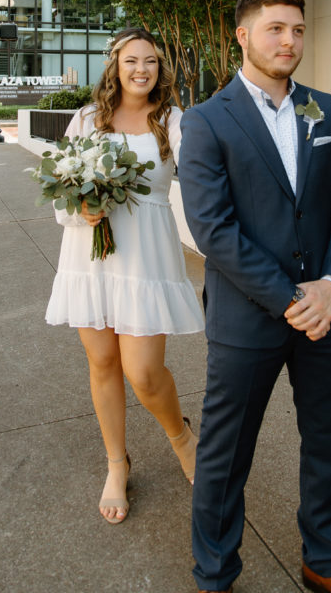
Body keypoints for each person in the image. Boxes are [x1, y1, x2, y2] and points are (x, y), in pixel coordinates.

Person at [178, 0, 331, 593]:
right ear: (243, 36)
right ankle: (215, 573)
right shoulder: (207, 119)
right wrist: (295, 298)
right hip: (249, 319)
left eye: (297, 29)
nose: (289, 40)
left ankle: (326, 558)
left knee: (326, 443)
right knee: (225, 453)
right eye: (275, 29)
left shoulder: (326, 109)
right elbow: (213, 229)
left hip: (327, 317)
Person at [46, 27, 204, 524]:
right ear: (115, 65)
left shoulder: (172, 120)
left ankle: (181, 435)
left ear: (161, 68)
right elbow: (59, 190)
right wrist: (80, 212)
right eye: (132, 60)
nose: (141, 69)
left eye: (151, 61)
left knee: (144, 372)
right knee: (102, 364)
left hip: (146, 259)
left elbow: (202, 177)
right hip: (89, 258)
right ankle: (117, 462)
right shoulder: (87, 119)